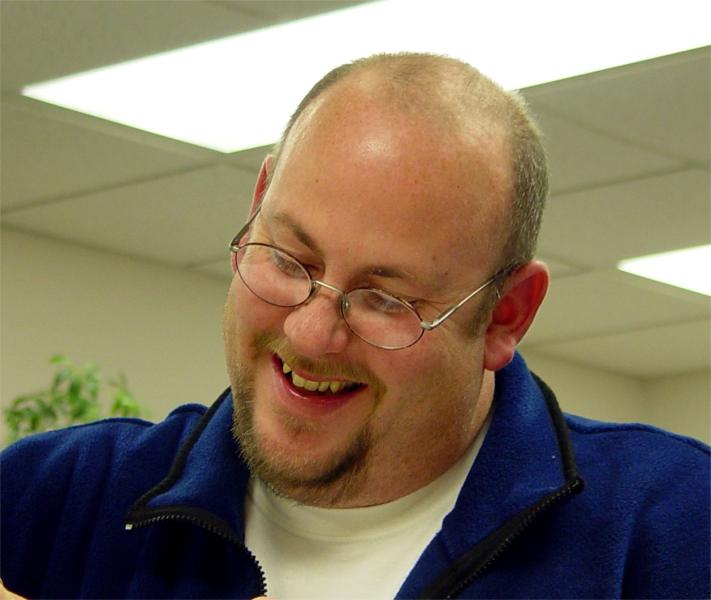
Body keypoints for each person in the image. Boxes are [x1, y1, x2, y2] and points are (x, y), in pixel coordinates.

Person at [1, 52, 709, 600]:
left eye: (384, 299)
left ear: (505, 316)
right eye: (287, 257)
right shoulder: (55, 495)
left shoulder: (669, 528)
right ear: (256, 204)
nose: (310, 335)